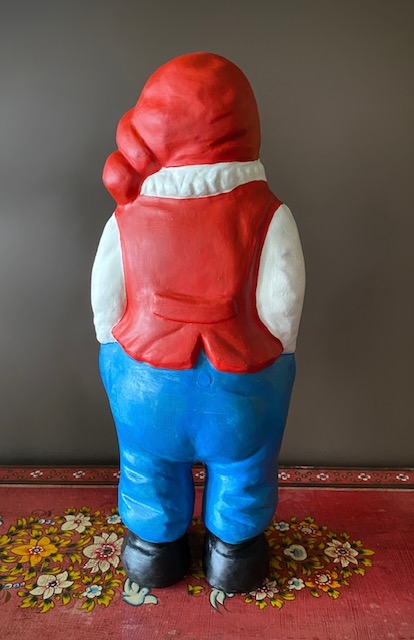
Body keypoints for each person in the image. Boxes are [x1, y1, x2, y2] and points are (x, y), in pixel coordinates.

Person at [91, 52, 305, 592]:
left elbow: (104, 305)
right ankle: (235, 553)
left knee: (147, 465)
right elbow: (283, 307)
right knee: (244, 469)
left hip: (146, 387)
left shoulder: (126, 215)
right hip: (241, 390)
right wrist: (275, 360)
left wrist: (117, 360)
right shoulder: (270, 213)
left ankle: (152, 550)